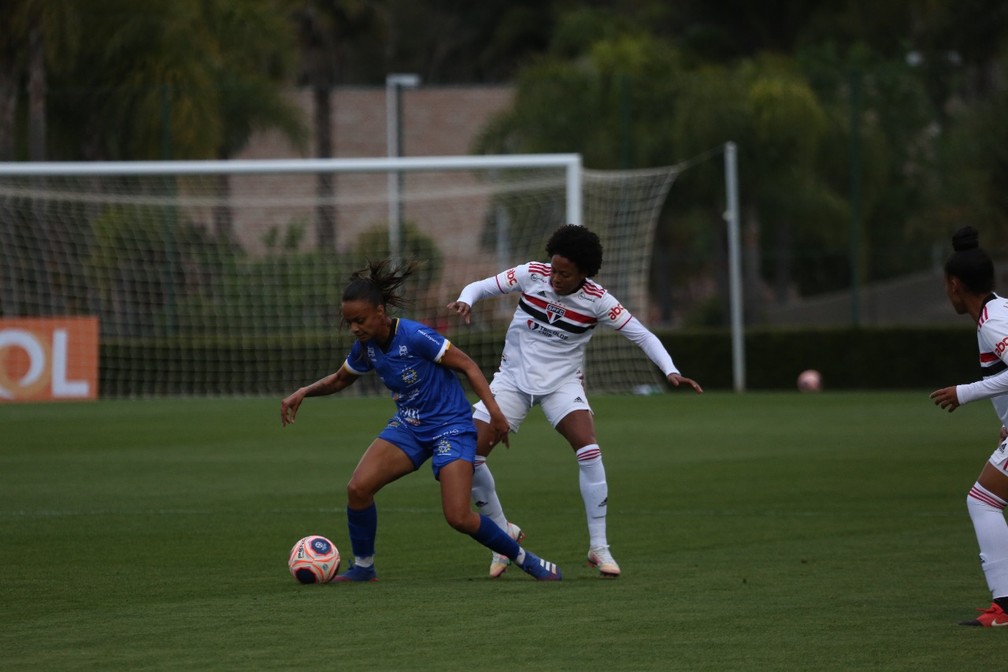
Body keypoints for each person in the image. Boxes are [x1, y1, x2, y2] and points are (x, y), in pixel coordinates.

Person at [447, 224, 703, 578]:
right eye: (554, 269)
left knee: (589, 448)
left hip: (561, 385)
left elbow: (642, 335)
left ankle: (599, 548)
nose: (555, 278)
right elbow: (481, 286)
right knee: (468, 457)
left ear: (584, 273)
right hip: (512, 382)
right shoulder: (531, 274)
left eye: (565, 274)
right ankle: (502, 532)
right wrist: (466, 298)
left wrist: (670, 370)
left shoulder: (598, 300)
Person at [281, 259, 562, 582]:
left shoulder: (415, 336)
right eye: (350, 323)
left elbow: (468, 366)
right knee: (358, 489)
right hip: (409, 427)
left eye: (360, 320)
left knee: (457, 516)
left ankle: (525, 559)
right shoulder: (366, 346)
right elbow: (341, 379)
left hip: (451, 427)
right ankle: (363, 567)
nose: (355, 328)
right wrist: (304, 391)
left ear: (380, 312)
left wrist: (495, 414)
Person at [930, 225, 1008, 626]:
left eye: (946, 286)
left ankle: (1007, 607)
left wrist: (965, 392)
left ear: (955, 285)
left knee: (984, 500)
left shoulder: (992, 323)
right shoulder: (1001, 310)